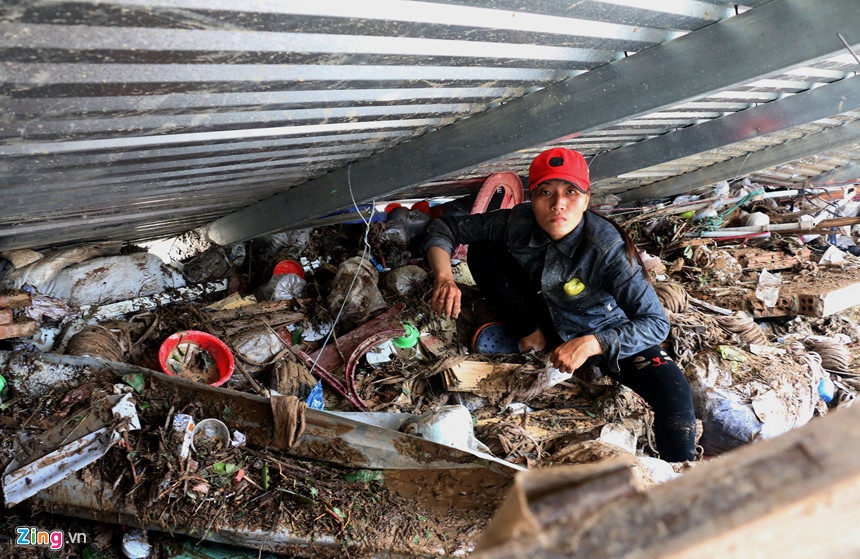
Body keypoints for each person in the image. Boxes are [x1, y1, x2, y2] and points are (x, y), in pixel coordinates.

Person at [422, 147, 697, 462]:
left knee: (675, 395)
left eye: (571, 192)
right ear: (532, 197)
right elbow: (446, 227)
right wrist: (444, 277)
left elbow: (655, 323)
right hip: (547, 313)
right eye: (545, 192)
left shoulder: (608, 250)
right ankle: (528, 335)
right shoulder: (517, 221)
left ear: (586, 200)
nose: (558, 204)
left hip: (603, 332)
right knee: (483, 248)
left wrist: (592, 344)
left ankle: (678, 481)